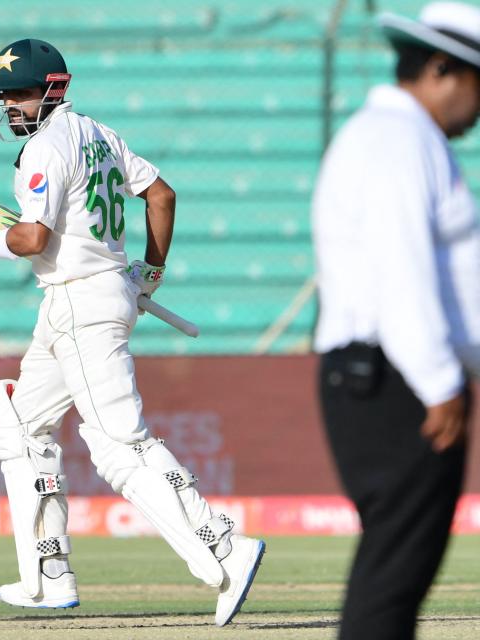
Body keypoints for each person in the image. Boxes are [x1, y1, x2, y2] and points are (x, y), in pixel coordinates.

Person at [0, 38, 265, 626]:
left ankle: (222, 544)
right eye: (5, 96)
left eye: (17, 93)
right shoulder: (100, 134)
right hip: (92, 292)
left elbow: (32, 239)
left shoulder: (43, 149)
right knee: (18, 423)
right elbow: (161, 195)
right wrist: (151, 271)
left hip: (80, 301)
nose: (9, 106)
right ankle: (49, 574)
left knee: (119, 442)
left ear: (52, 89)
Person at [312, 3, 480, 638]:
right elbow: (402, 267)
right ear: (441, 68)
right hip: (393, 381)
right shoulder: (399, 139)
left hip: (392, 374)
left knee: (399, 574)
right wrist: (439, 381)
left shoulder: (405, 137)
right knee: (392, 580)